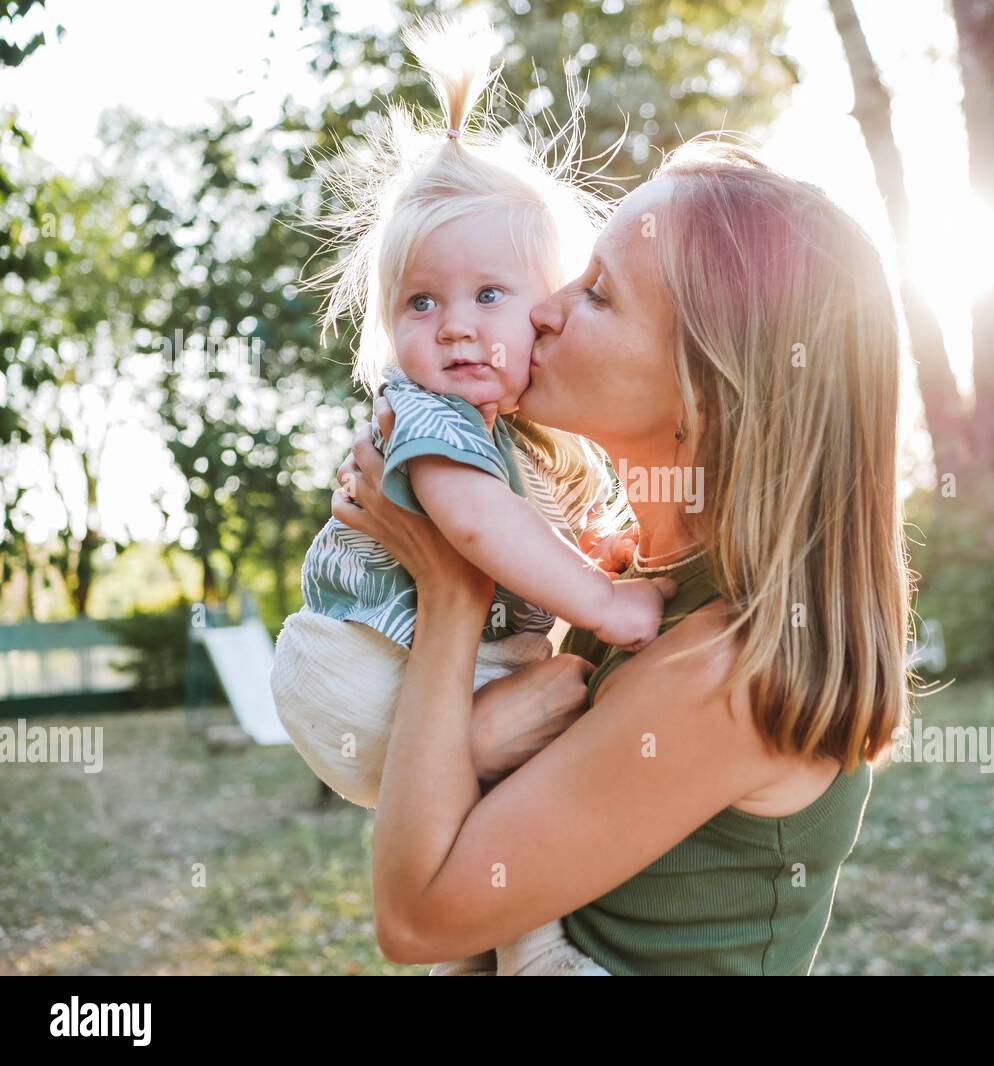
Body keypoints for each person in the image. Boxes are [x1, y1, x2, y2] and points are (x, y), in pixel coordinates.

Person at [334, 130, 914, 975]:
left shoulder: (722, 668)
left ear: (706, 390)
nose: (542, 309)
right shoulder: (627, 577)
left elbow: (419, 919)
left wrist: (451, 592)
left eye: (598, 295)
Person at [270, 14, 664, 977]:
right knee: (537, 776)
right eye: (420, 303)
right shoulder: (428, 418)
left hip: (416, 685)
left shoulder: (522, 436)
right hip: (364, 674)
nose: (453, 328)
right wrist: (607, 602)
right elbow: (482, 530)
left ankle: (475, 958)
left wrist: (600, 551)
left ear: (547, 307)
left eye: (489, 296)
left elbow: (542, 525)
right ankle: (542, 955)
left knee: (509, 780)